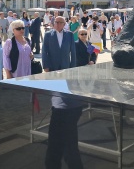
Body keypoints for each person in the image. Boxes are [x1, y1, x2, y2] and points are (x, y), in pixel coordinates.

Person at [42, 16, 83, 169]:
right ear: (53, 24)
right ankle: (56, 108)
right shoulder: (48, 35)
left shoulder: (68, 35)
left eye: (61, 23)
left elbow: (73, 52)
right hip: (52, 68)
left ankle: (63, 107)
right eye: (56, 22)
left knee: (64, 91)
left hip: (66, 68)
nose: (58, 24)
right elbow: (44, 50)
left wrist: (73, 68)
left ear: (65, 24)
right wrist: (45, 66)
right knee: (54, 92)